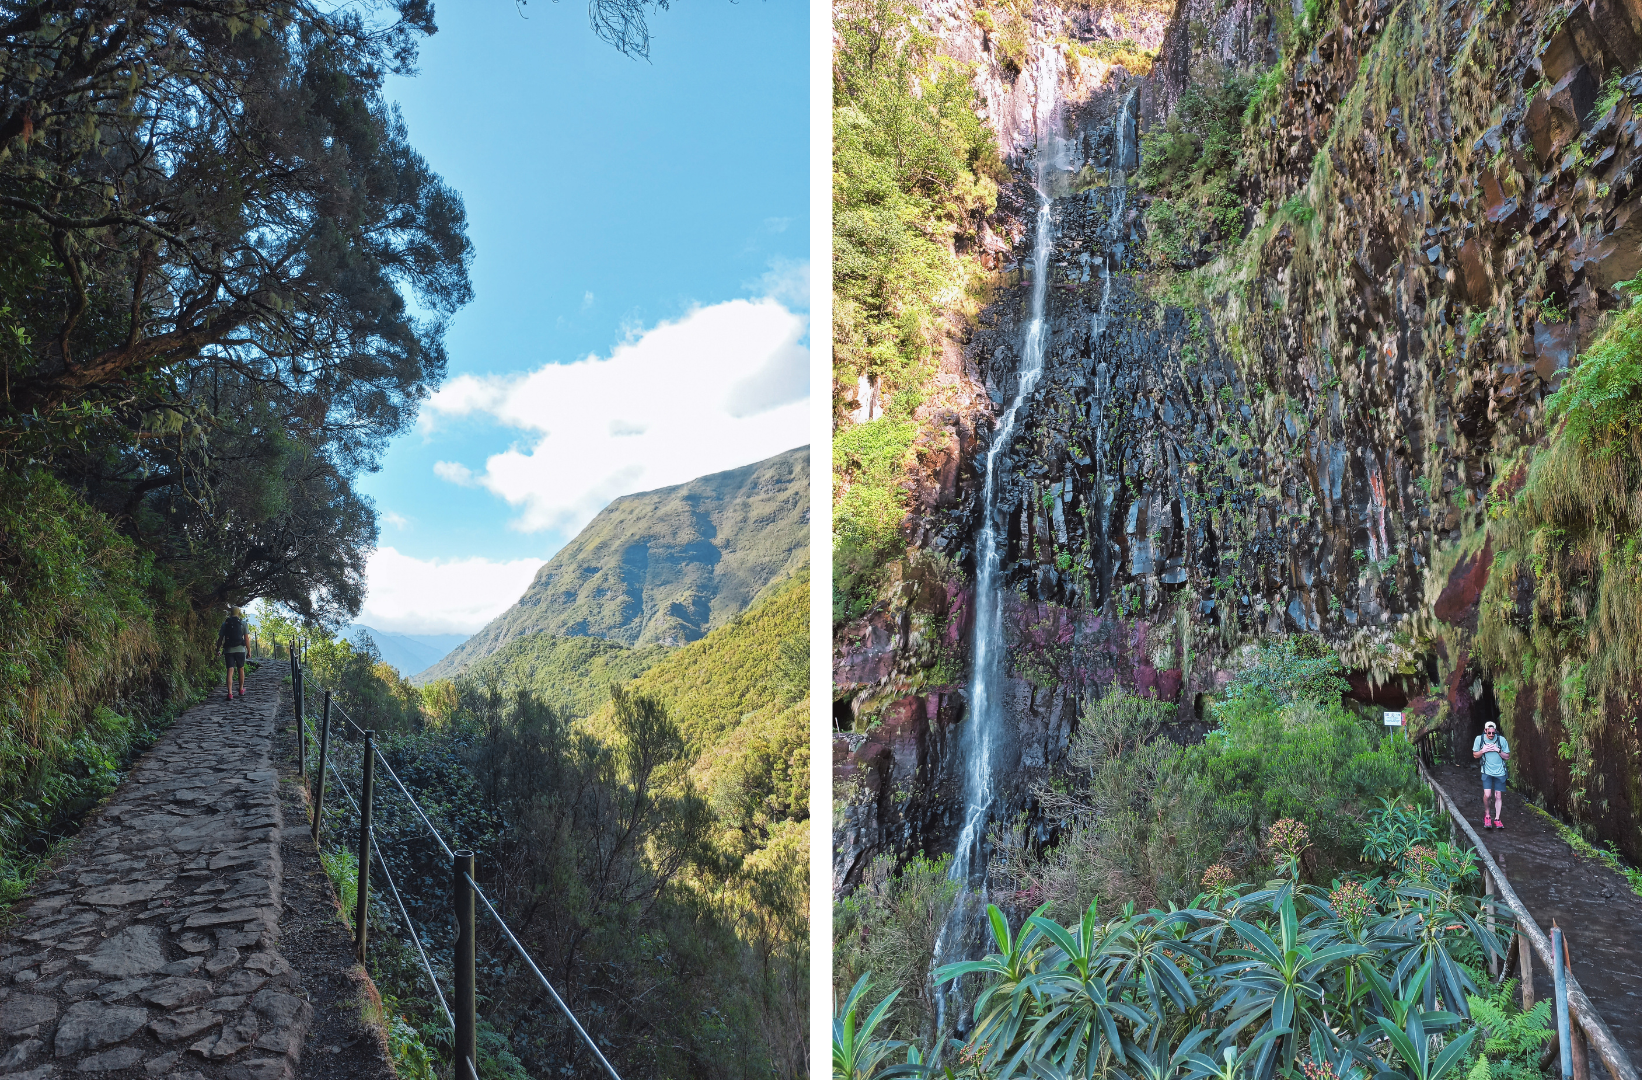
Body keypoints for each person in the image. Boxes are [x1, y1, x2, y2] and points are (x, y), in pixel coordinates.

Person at [1472, 720, 1510, 829]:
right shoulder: (1479, 739)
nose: (1491, 735)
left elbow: (1507, 756)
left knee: (1498, 795)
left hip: (1500, 772)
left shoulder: (1501, 740)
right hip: (1487, 771)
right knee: (1487, 795)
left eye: (1493, 733)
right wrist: (1483, 750)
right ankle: (1487, 814)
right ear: (1485, 731)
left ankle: (1497, 819)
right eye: (1489, 733)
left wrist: (1498, 750)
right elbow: (1475, 755)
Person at [218, 606, 249, 701]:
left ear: (230, 613)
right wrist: (249, 650)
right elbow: (246, 639)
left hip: (228, 650)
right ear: (239, 613)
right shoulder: (243, 624)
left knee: (230, 671)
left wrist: (217, 649)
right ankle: (240, 690)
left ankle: (230, 693)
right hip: (240, 650)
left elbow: (220, 639)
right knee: (241, 669)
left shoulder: (225, 624)